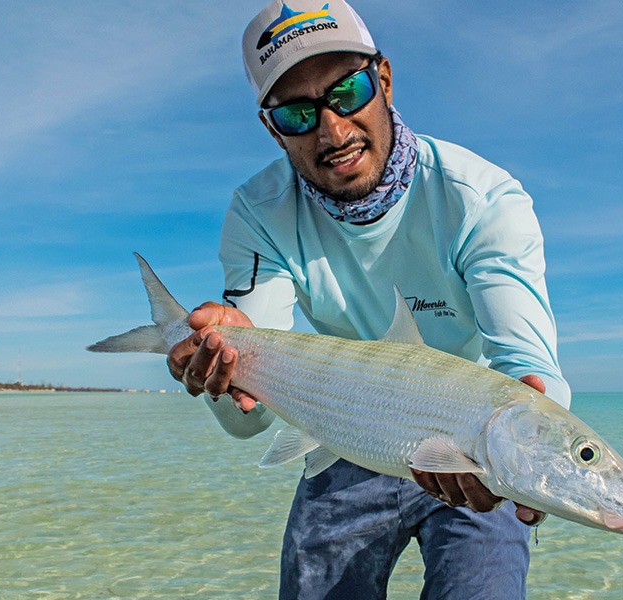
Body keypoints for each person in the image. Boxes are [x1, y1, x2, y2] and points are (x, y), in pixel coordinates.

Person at [167, 1, 571, 597]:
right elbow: (248, 421)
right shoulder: (259, 212)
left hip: (472, 441)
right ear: (271, 127)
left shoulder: (480, 198)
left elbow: (531, 373)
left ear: (383, 79)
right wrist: (222, 368)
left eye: (348, 90)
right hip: (345, 429)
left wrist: (525, 465)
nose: (332, 130)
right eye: (298, 113)